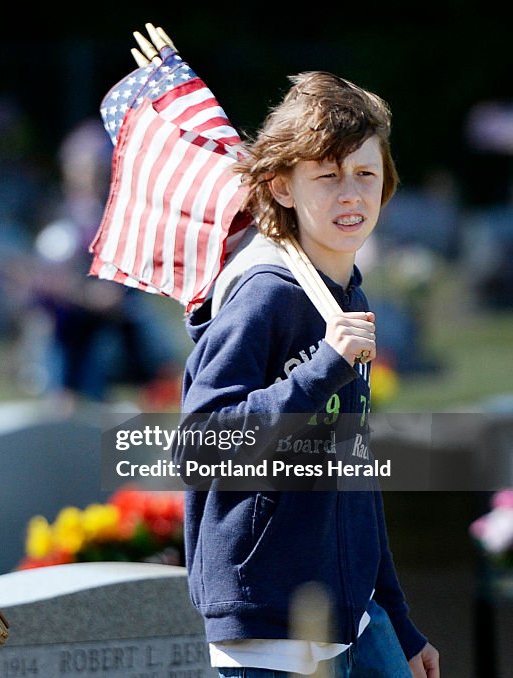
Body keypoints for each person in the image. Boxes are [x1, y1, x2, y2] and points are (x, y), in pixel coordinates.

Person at [177, 71, 441, 677]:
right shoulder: (265, 297)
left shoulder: (344, 297)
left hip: (355, 615)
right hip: (269, 623)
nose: (351, 193)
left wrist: (398, 620)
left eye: (365, 174)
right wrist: (324, 367)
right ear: (283, 187)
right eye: (327, 175)